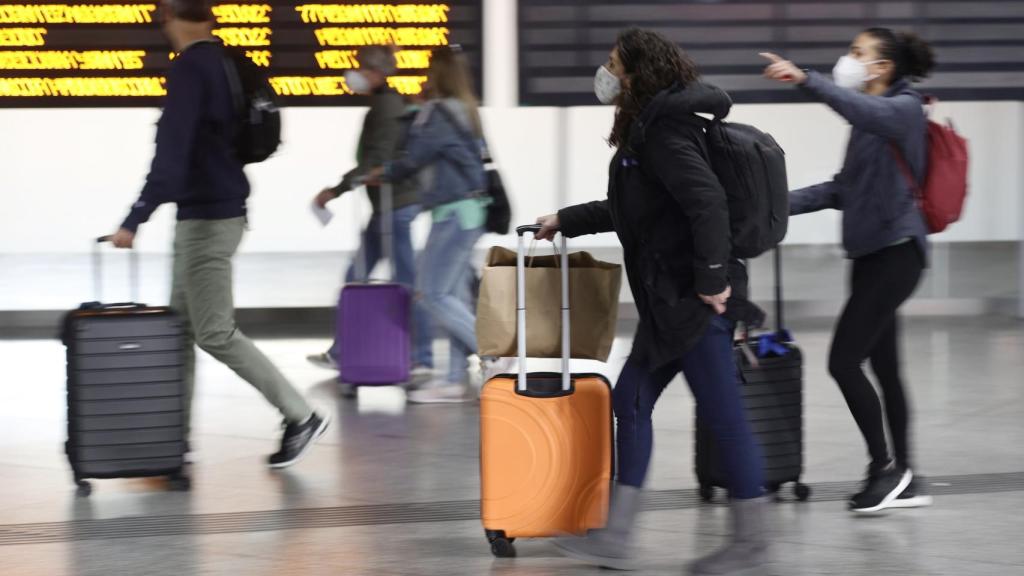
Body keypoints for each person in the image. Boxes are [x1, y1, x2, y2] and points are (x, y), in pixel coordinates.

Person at [534, 28, 768, 575]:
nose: (605, 71)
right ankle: (615, 538)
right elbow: (637, 209)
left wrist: (712, 280)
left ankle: (753, 544)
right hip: (667, 300)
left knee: (723, 417)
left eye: (613, 62)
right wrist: (566, 219)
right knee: (631, 399)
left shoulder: (665, 131)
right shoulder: (650, 129)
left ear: (638, 72)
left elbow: (707, 204)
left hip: (693, 299)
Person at [109, 0, 328, 469]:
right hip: (215, 212)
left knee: (213, 331)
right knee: (181, 329)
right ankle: (175, 439)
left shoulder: (190, 69)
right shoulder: (227, 63)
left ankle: (301, 414)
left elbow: (171, 154)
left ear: (165, 16)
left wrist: (134, 218)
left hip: (207, 220)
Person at [761, 28, 936, 513]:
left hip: (897, 253)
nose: (849, 59)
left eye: (859, 53)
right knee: (885, 368)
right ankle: (908, 475)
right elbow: (842, 189)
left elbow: (862, 110)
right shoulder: (870, 120)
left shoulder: (902, 108)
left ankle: (886, 469)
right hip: (872, 253)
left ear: (882, 68)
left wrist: (805, 80)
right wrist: (773, 205)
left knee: (843, 361)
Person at [368, 46, 509, 404]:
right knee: (456, 295)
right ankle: (450, 380)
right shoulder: (466, 111)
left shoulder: (441, 113)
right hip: (466, 212)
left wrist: (382, 172)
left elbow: (414, 158)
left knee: (433, 293)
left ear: (439, 75)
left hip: (455, 215)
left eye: (430, 71)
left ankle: (493, 357)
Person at [308, 46, 434, 385]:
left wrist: (335, 191)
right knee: (358, 275)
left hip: (395, 207)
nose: (355, 74)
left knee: (405, 282)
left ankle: (422, 356)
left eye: (361, 68)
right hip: (387, 208)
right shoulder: (385, 104)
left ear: (377, 72)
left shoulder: (387, 107)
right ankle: (342, 351)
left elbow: (373, 163)